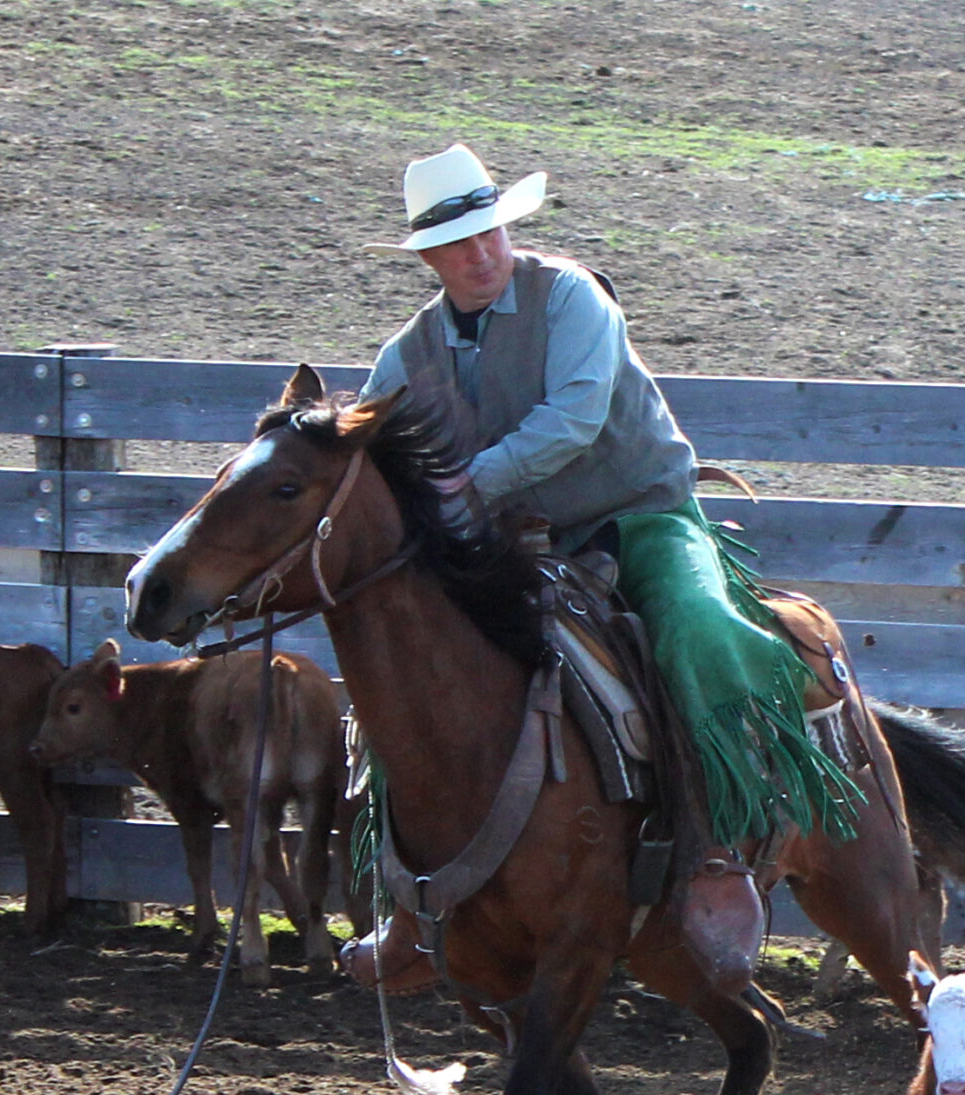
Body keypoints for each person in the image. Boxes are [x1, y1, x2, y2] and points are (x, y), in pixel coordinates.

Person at [343, 144, 855, 991]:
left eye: (491, 234)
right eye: (460, 244)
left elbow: (576, 418)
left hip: (639, 515)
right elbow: (377, 451)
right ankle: (410, 900)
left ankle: (723, 844)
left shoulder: (571, 297)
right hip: (512, 542)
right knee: (405, 676)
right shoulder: (406, 356)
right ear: (429, 260)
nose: (482, 254)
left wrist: (468, 484)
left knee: (697, 631)